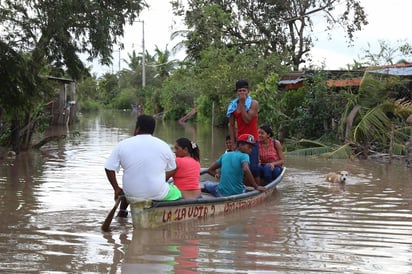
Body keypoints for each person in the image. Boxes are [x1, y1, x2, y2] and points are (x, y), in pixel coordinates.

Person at [104, 114, 182, 217]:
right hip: (157, 193)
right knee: (177, 192)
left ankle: (122, 213)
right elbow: (173, 168)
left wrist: (116, 188)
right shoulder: (163, 145)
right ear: (152, 130)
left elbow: (108, 168)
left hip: (130, 193)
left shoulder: (122, 144)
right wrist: (160, 180)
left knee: (128, 189)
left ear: (138, 128)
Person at [227, 79, 260, 185]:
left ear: (248, 91)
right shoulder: (233, 105)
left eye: (244, 90)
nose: (242, 93)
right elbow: (231, 125)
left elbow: (247, 120)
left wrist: (241, 104)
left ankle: (256, 186)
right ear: (236, 92)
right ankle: (240, 186)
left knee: (253, 167)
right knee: (239, 165)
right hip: (240, 140)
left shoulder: (253, 103)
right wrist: (233, 142)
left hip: (252, 140)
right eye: (239, 91)